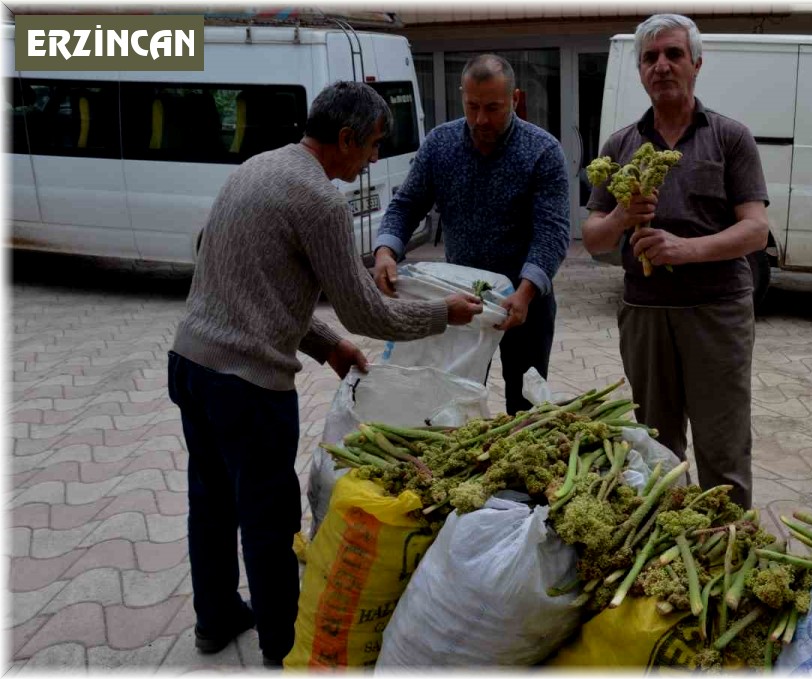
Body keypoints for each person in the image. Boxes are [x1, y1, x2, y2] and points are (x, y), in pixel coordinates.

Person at [168, 81, 483, 666]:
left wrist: (328, 344)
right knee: (269, 515)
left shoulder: (257, 167)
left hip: (190, 364)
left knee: (210, 500)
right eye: (371, 147)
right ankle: (281, 644)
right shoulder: (319, 200)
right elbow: (368, 309)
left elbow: (248, 286)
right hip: (246, 386)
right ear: (345, 138)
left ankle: (214, 619)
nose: (370, 161)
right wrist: (444, 313)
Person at [582, 13, 771, 509]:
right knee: (656, 447)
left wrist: (685, 250)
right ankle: (668, 549)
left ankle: (727, 551)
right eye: (650, 58)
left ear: (696, 64)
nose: (661, 65)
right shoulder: (621, 146)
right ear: (640, 71)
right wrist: (624, 214)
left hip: (717, 314)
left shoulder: (730, 137)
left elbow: (756, 229)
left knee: (722, 449)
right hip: (645, 315)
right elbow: (593, 239)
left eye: (673, 54)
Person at [372, 54, 571, 416]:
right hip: (461, 301)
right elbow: (406, 205)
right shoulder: (440, 145)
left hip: (525, 303)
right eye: (472, 106)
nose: (481, 119)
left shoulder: (542, 151)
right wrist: (386, 250)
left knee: (524, 408)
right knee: (453, 400)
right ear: (462, 96)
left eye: (493, 108)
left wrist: (525, 292)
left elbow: (552, 233)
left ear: (515, 99)